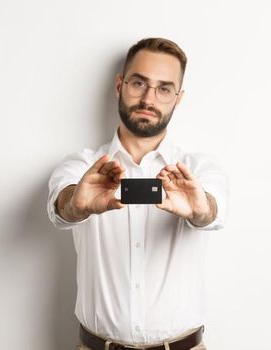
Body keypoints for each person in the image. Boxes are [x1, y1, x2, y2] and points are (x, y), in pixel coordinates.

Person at [47, 37, 228, 350]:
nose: (149, 98)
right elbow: (62, 206)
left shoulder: (199, 169)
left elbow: (213, 210)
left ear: (178, 98)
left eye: (164, 88)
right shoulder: (82, 165)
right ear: (120, 85)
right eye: (139, 83)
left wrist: (200, 209)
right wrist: (77, 205)